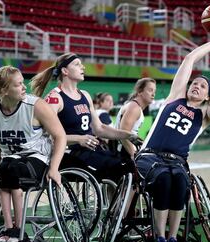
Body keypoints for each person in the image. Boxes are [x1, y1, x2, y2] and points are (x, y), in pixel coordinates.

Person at [135, 35, 210, 242]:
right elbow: (189, 60)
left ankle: (173, 238)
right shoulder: (174, 98)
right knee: (164, 179)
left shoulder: (204, 115)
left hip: (177, 162)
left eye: (202, 86)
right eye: (194, 83)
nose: (196, 85)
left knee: (180, 182)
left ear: (207, 97)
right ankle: (160, 239)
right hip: (150, 157)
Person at [0, 65, 66, 242]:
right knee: (4, 170)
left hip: (38, 159)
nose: (24, 87)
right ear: (4, 90)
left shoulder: (36, 106)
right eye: (18, 84)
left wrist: (54, 168)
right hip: (11, 161)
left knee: (11, 168)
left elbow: (60, 136)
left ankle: (19, 229)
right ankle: (8, 228)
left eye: (23, 83)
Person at [30, 53, 137, 181]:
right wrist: (79, 139)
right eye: (77, 64)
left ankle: (115, 201)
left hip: (90, 151)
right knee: (116, 167)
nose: (83, 67)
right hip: (68, 153)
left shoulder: (85, 95)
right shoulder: (55, 98)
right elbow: (47, 136)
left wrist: (128, 135)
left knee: (128, 164)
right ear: (65, 71)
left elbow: (100, 129)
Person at [115, 78, 156, 159]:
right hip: (123, 153)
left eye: (154, 91)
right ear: (140, 91)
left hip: (125, 150)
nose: (153, 94)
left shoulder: (134, 106)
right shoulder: (134, 107)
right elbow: (122, 134)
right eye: (150, 90)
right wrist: (133, 154)